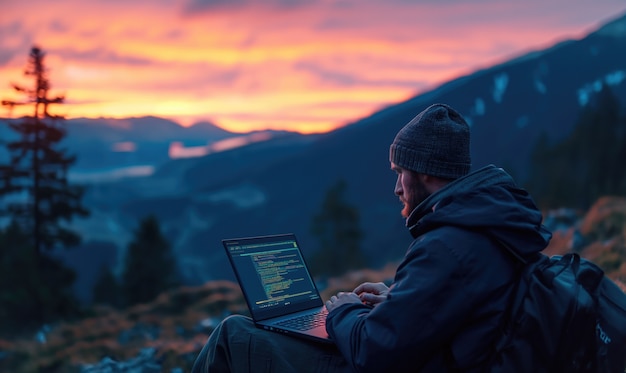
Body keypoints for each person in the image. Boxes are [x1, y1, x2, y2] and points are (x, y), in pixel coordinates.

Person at [192, 103, 551, 372]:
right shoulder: (491, 227)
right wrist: (398, 300)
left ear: (424, 173)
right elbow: (461, 304)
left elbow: (373, 351)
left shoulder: (449, 245)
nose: (396, 188)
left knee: (233, 334)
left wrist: (343, 310)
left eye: (400, 173)